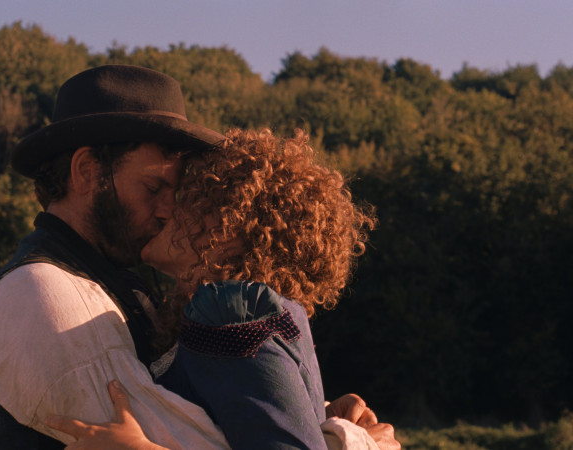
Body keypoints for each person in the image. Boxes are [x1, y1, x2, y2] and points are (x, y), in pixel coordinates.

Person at [47, 129, 401, 449]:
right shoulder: (241, 314)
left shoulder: (234, 311)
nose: (167, 210)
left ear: (232, 226)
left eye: (192, 197)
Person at [0, 64, 230, 449]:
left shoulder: (107, 283)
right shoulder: (39, 291)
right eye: (153, 188)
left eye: (172, 194)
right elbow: (193, 440)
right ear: (87, 172)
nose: (167, 211)